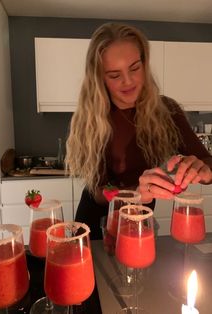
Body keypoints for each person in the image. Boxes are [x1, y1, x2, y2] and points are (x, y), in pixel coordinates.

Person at [65, 22, 212, 240]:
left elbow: (207, 161)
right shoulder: (92, 118)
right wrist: (135, 193)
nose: (128, 81)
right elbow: (97, 192)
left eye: (135, 68)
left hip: (140, 220)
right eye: (114, 75)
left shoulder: (167, 110)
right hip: (95, 224)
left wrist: (205, 171)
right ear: (100, 78)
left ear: (144, 63)